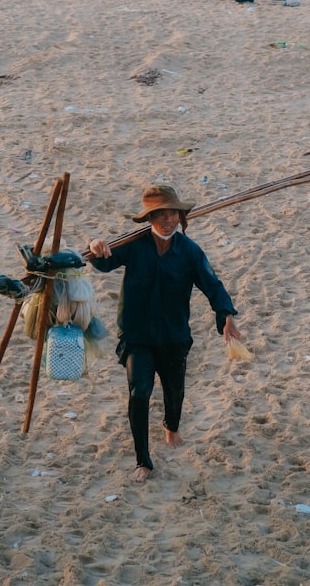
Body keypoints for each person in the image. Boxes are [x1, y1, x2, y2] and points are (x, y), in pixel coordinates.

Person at [88, 185, 242, 484]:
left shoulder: (190, 251)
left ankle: (171, 426)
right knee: (139, 392)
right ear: (149, 218)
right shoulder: (134, 244)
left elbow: (212, 284)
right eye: (161, 214)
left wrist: (226, 315)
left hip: (174, 335)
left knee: (174, 392)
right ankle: (143, 460)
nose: (168, 219)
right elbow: (104, 262)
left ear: (181, 216)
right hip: (137, 336)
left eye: (173, 213)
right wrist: (96, 246)